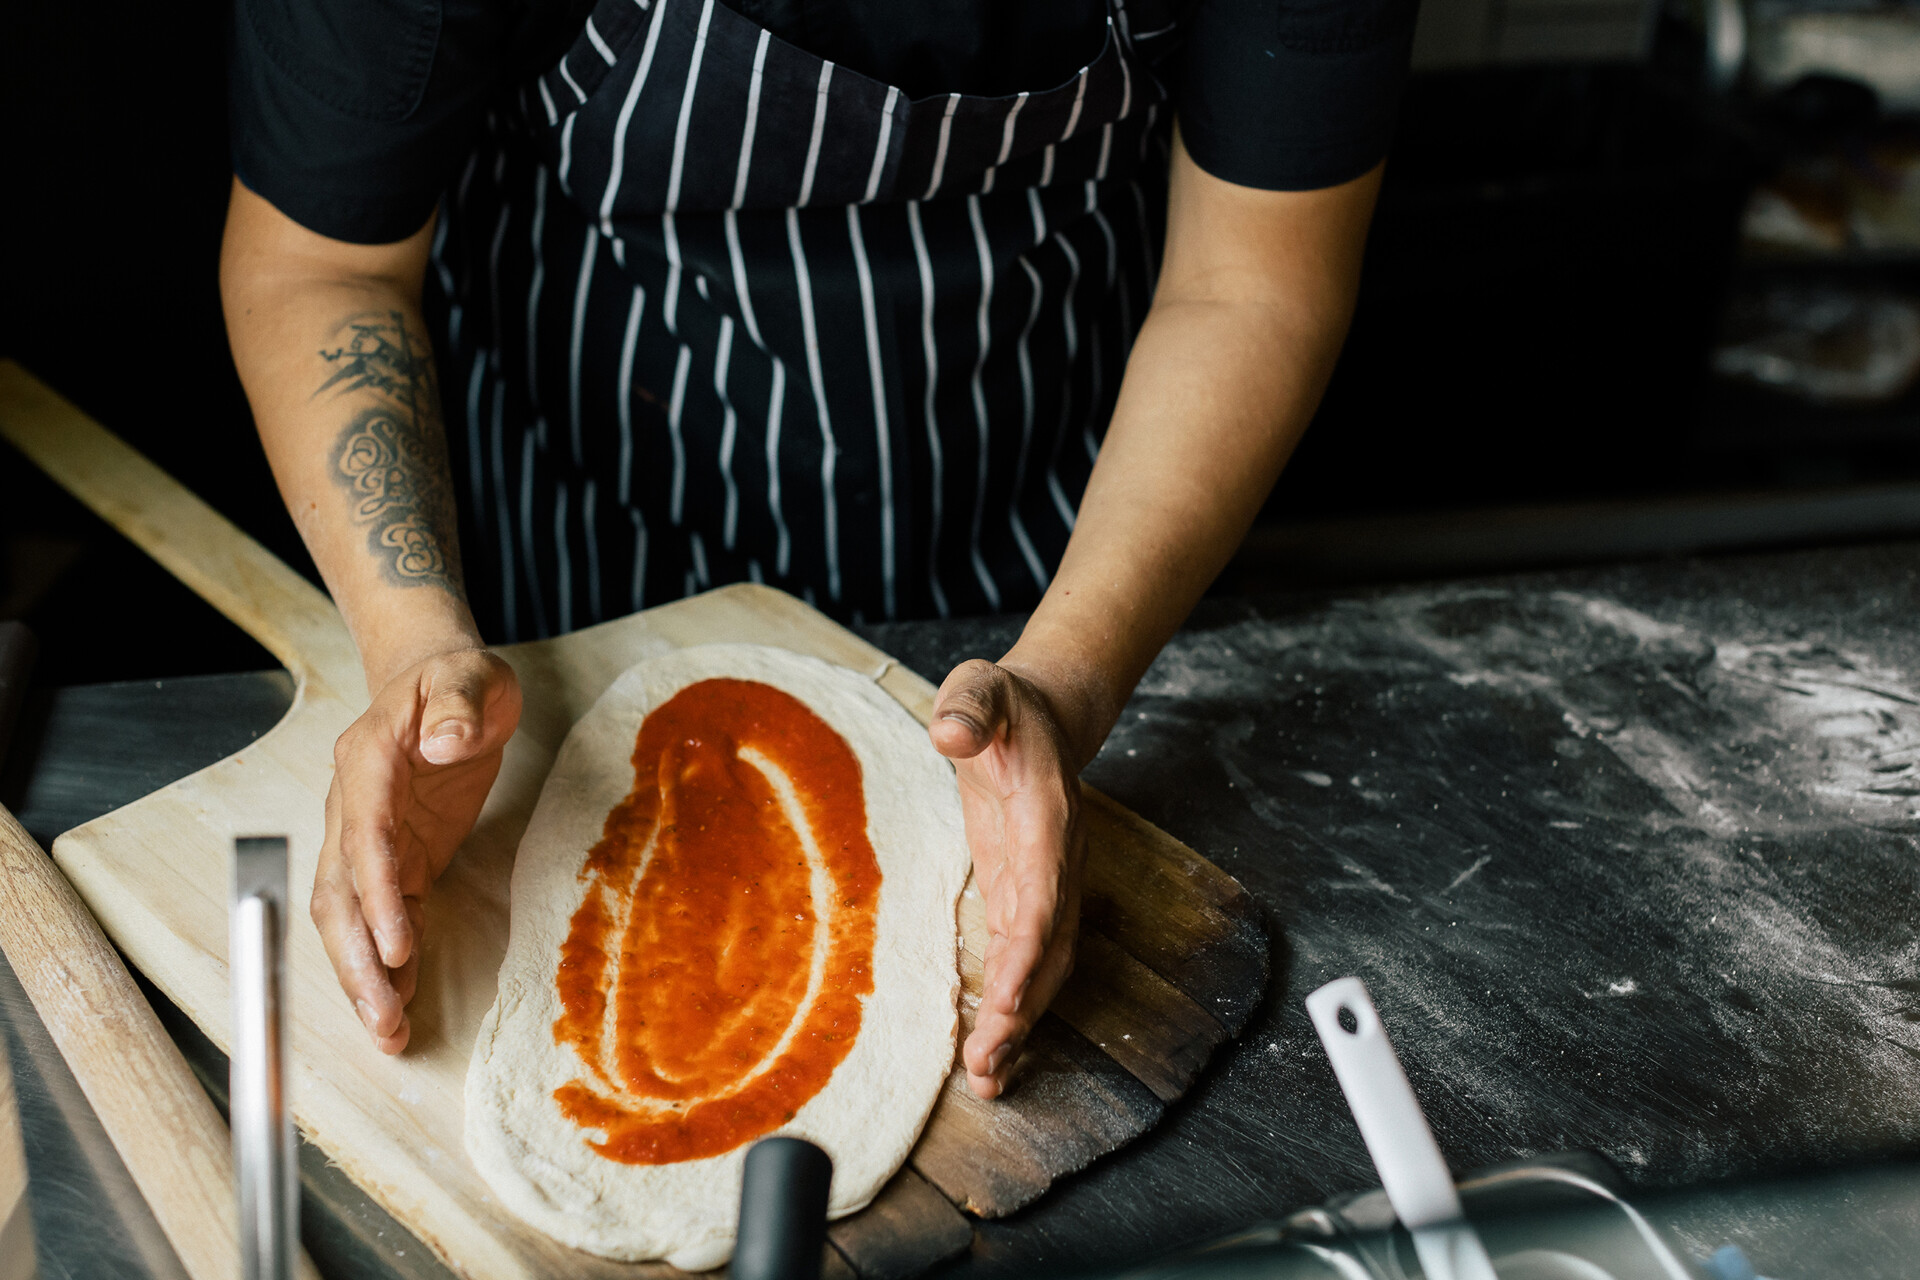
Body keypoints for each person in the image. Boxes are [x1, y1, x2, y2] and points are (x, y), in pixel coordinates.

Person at [222, 0, 1417, 1100]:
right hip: (584, 573)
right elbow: (322, 264)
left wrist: (1068, 678)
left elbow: (1252, 278)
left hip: (1061, 558)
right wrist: (416, 649)